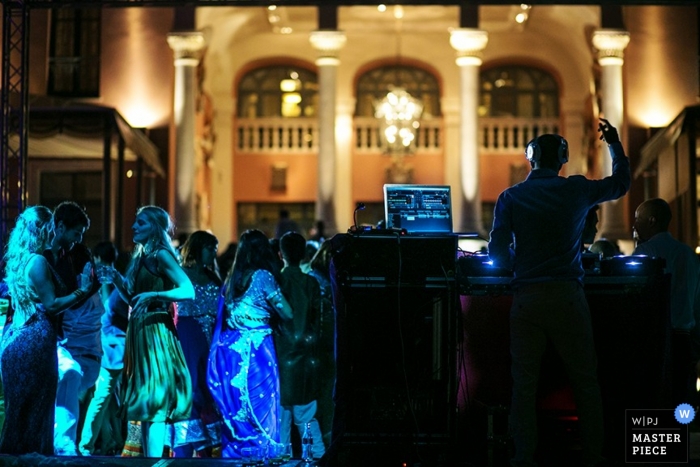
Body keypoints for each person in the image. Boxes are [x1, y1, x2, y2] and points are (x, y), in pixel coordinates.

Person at [487, 118, 630, 467]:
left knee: (524, 386)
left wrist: (517, 262)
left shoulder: (511, 197)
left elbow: (498, 253)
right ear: (562, 159)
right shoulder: (576, 190)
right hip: (567, 296)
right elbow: (621, 183)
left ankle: (523, 457)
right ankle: (593, 455)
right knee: (585, 381)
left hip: (527, 299)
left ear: (530, 158)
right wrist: (614, 144)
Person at [102, 205, 195, 457]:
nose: (133, 227)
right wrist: (116, 280)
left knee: (154, 406)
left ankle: (153, 463)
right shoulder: (143, 255)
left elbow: (188, 290)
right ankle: (146, 461)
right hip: (141, 332)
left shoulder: (162, 254)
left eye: (140, 223)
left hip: (156, 334)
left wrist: (156, 294)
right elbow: (134, 299)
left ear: (154, 226)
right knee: (144, 407)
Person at [0, 206, 93, 455]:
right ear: (43, 229)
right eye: (51, 226)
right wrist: (82, 290)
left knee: (17, 414)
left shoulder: (18, 261)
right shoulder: (38, 261)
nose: (54, 231)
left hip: (14, 340)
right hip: (35, 341)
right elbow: (51, 305)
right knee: (37, 413)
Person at [207, 229, 293, 458]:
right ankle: (263, 453)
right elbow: (287, 312)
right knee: (262, 403)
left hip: (233, 351)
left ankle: (241, 452)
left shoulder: (233, 277)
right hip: (259, 349)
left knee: (240, 404)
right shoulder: (263, 276)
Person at [47, 201, 104, 456]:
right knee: (69, 374)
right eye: (75, 233)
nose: (78, 239)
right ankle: (63, 445)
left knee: (73, 377)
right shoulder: (43, 257)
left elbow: (90, 288)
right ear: (59, 227)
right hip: (52, 337)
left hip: (78, 339)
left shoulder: (79, 254)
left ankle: (63, 444)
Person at [633, 198, 700, 406]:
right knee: (681, 400)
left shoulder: (645, 253)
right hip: (685, 338)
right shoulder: (687, 254)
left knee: (655, 399)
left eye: (638, 219)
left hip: (657, 338)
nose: (634, 225)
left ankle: (655, 437)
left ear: (652, 221)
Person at [170, 231, 223, 457]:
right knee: (190, 389)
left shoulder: (214, 277)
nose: (213, 252)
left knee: (210, 388)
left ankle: (209, 443)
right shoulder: (182, 275)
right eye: (210, 248)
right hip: (188, 334)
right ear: (198, 248)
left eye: (215, 248)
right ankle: (188, 446)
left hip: (212, 336)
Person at [276, 232, 325, 459]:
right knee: (306, 414)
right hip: (305, 357)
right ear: (305, 254)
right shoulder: (311, 283)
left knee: (281, 417)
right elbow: (318, 323)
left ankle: (281, 458)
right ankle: (315, 457)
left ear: (280, 254)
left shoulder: (275, 280)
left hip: (279, 355)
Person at [79, 241, 129, 456]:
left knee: (102, 398)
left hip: (109, 346)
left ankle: (91, 444)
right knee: (107, 399)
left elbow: (105, 314)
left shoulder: (106, 280)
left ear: (97, 258)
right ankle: (105, 441)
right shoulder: (116, 280)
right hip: (114, 346)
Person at [306, 240, 336, 447]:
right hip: (320, 345)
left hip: (324, 344)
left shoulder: (320, 278)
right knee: (322, 395)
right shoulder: (317, 281)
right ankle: (322, 442)